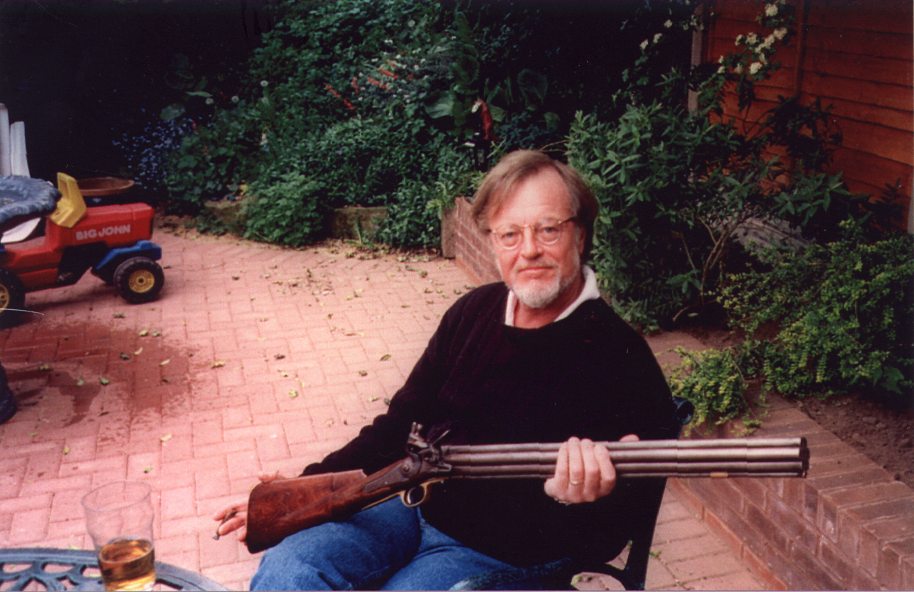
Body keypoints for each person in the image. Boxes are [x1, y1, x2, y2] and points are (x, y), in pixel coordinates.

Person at [213, 150, 678, 590]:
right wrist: (298, 490)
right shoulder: (473, 311)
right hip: (407, 506)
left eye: (549, 230)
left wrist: (572, 498)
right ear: (493, 242)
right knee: (292, 568)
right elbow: (398, 425)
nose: (529, 250)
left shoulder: (623, 356)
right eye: (510, 234)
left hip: (502, 553)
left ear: (581, 235)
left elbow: (615, 530)